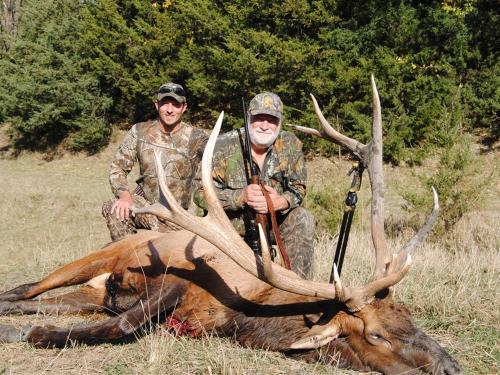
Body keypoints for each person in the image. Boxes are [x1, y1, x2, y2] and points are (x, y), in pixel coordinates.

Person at [195, 92, 315, 278]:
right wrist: (239, 197)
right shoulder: (221, 146)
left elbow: (299, 187)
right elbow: (199, 194)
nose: (265, 126)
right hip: (229, 228)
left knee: (303, 218)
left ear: (280, 122)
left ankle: (299, 291)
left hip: (271, 225)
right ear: (249, 117)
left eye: (272, 120)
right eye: (259, 118)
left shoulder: (291, 145)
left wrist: (281, 202)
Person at [102, 82, 208, 241]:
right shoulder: (139, 131)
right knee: (115, 209)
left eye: (176, 104)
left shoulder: (197, 138)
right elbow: (118, 168)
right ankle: (131, 259)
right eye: (165, 103)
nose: (170, 109)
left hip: (178, 214)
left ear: (184, 107)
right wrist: (124, 196)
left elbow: (216, 172)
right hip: (145, 205)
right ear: (156, 105)